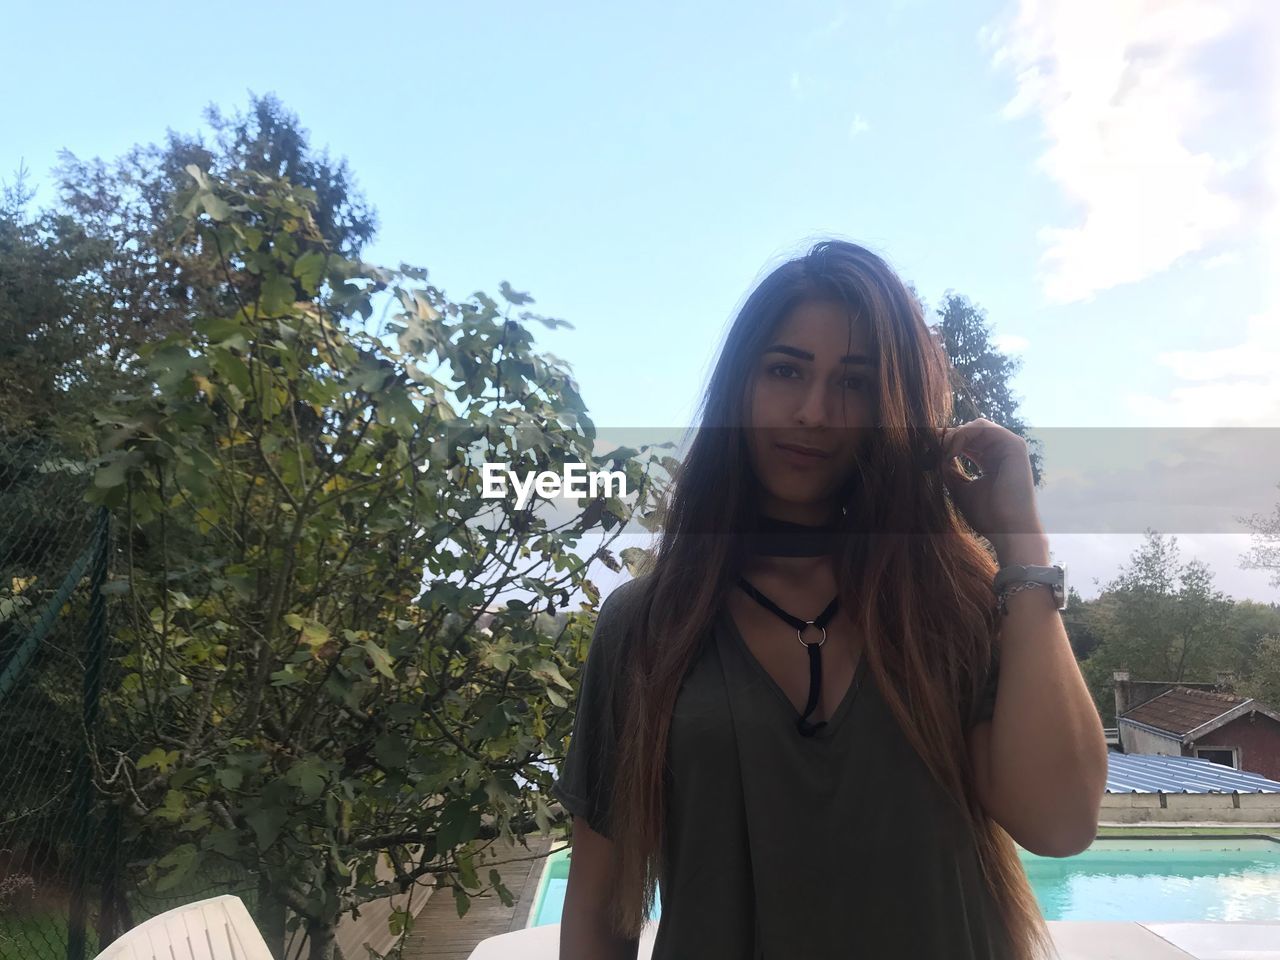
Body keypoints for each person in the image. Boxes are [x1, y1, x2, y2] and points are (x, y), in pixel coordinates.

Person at [552, 239, 1106, 959]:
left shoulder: (951, 609)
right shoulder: (646, 625)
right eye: (785, 370)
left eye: (854, 383)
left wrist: (1022, 547)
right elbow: (598, 904)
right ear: (740, 388)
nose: (814, 411)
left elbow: (1060, 823)